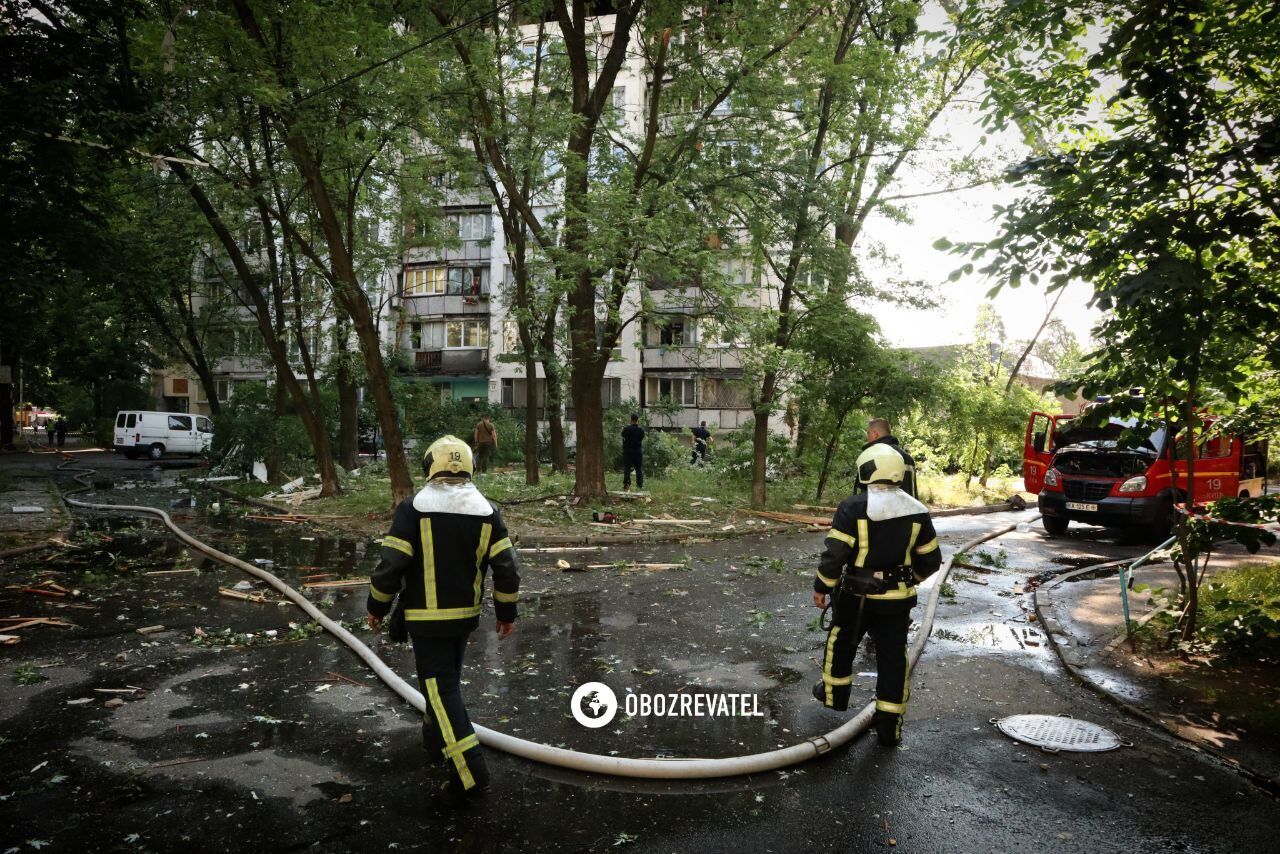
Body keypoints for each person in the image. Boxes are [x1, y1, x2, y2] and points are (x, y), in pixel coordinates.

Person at [365, 435, 521, 805]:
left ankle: (471, 772)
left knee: (442, 691)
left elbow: (391, 566)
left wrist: (377, 606)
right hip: (464, 619)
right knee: (444, 686)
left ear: (430, 465)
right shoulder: (486, 510)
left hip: (426, 622)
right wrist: (506, 613)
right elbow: (507, 570)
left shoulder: (414, 508)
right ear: (469, 465)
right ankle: (435, 744)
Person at [811, 443, 942, 746]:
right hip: (896, 601)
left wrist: (822, 587)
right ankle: (889, 726)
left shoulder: (852, 507)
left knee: (841, 641)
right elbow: (932, 561)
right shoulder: (918, 511)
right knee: (894, 659)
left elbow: (834, 556)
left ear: (865, 470)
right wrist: (906, 580)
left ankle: (834, 695)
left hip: (855, 597)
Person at [856, 418, 917, 499]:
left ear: (875, 434)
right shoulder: (908, 458)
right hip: (907, 510)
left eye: (868, 433)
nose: (867, 437)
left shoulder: (871, 456)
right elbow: (912, 493)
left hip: (877, 511)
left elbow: (864, 495)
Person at [621, 413, 645, 491]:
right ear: (637, 420)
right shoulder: (641, 430)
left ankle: (627, 485)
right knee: (638, 469)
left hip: (628, 451)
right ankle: (640, 485)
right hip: (638, 451)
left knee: (627, 468)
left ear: (631, 420)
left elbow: (623, 435)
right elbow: (641, 438)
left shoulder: (626, 429)